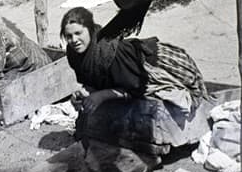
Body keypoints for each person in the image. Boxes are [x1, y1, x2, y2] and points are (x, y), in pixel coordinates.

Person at [61, 7, 210, 116]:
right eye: (69, 36)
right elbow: (97, 80)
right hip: (130, 77)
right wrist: (85, 91)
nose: (74, 40)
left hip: (158, 67)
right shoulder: (75, 55)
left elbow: (137, 87)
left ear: (90, 30)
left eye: (78, 33)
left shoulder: (108, 52)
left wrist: (103, 95)